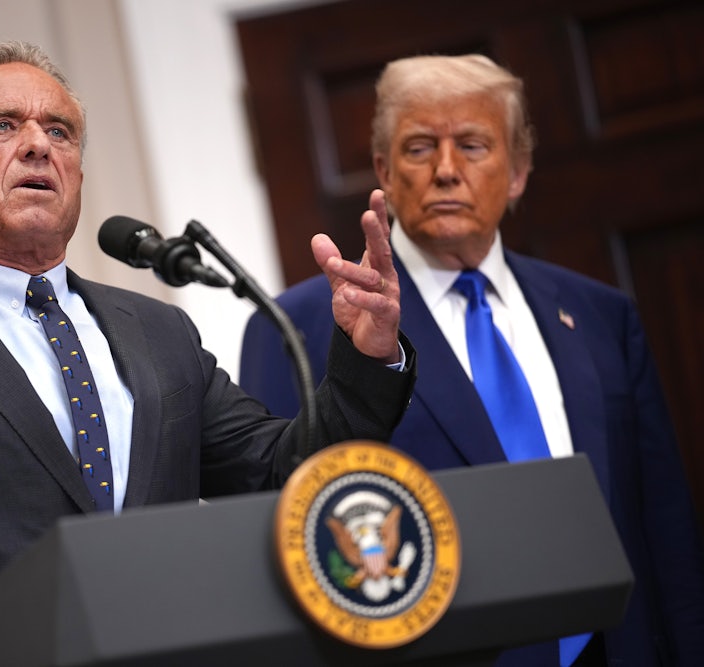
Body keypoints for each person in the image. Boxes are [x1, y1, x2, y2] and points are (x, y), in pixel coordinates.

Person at [0, 41, 416, 644]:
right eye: (2, 125)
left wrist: (368, 356)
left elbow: (286, 477)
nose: (38, 145)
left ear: (78, 174)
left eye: (59, 131)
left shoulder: (159, 332)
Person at [239, 54, 704, 665]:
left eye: (475, 145)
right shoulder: (297, 326)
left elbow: (663, 520)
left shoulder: (600, 315)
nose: (447, 171)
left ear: (518, 172)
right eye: (419, 148)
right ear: (383, 170)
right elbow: (287, 547)